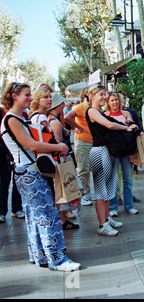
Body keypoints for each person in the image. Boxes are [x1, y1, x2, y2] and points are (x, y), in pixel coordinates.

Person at [0, 82, 80, 271]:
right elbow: (32, 145)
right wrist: (59, 147)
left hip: (26, 172)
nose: (30, 98)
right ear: (14, 97)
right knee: (48, 214)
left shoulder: (19, 118)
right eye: (27, 95)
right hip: (30, 173)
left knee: (35, 217)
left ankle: (40, 255)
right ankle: (57, 259)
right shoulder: (12, 119)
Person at [84, 85, 137, 236]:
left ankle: (106, 219)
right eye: (101, 95)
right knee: (102, 192)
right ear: (92, 96)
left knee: (109, 189)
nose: (103, 97)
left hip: (105, 152)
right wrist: (125, 128)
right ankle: (102, 224)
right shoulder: (92, 111)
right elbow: (109, 124)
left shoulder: (98, 111)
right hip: (99, 151)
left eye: (103, 94)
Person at [48, 93, 83, 229]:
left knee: (63, 191)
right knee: (65, 191)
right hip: (62, 159)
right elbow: (59, 144)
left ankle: (62, 220)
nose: (64, 105)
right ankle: (62, 221)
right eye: (62, 103)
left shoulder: (51, 119)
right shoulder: (55, 122)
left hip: (60, 159)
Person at [104, 91, 138, 216]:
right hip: (112, 151)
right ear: (108, 102)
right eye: (112, 100)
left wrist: (132, 125)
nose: (115, 102)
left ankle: (129, 205)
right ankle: (113, 208)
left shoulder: (126, 113)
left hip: (125, 149)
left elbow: (132, 125)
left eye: (116, 100)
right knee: (113, 180)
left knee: (127, 179)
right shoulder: (105, 115)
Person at [64, 87, 94, 206]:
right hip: (83, 141)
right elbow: (67, 117)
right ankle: (81, 195)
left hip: (91, 141)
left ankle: (87, 191)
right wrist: (78, 127)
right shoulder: (81, 106)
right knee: (83, 169)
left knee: (88, 169)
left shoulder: (94, 108)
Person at [0, 106, 24, 223]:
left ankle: (16, 208)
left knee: (14, 180)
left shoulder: (11, 113)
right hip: (4, 151)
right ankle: (2, 211)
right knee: (4, 182)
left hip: (10, 151)